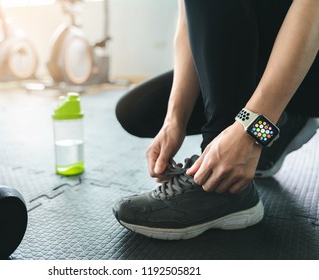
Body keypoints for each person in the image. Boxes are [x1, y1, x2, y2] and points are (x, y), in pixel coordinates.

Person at [112, 0, 319, 240]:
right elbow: (192, 18)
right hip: (262, 56)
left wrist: (250, 132)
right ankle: (286, 120)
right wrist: (174, 121)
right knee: (138, 112)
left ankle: (221, 189)